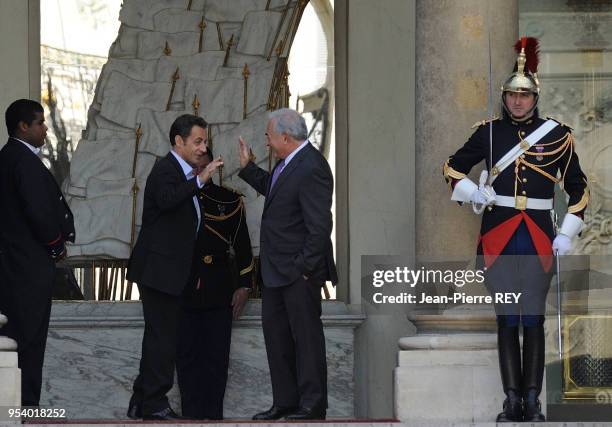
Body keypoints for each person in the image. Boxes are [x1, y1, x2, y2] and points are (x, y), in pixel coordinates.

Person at [443, 37, 589, 422]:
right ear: (505, 98)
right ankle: (511, 400)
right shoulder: (489, 133)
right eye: (511, 96)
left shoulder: (558, 134)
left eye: (524, 96)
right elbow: (452, 167)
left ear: (535, 97)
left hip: (540, 236)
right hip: (499, 236)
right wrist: (474, 190)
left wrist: (567, 233)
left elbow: (579, 188)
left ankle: (532, 401)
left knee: (534, 319)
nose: (518, 102)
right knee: (507, 317)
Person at [238, 108, 337, 420]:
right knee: (277, 337)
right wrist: (249, 169)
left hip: (298, 273)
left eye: (268, 135)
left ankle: (312, 404)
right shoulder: (288, 163)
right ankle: (286, 402)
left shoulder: (312, 167)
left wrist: (304, 268)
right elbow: (277, 192)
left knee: (305, 339)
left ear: (284, 136)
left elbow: (320, 226)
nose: (266, 141)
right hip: (276, 271)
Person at [126, 114, 223, 420]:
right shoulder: (165, 169)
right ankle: (155, 403)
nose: (203, 147)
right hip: (158, 273)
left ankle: (142, 399)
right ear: (178, 142)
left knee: (159, 336)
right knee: (163, 339)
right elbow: (167, 200)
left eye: (204, 141)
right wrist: (200, 179)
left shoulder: (184, 173)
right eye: (197, 141)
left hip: (171, 273)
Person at [0, 99, 75, 406]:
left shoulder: (8, 157)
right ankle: (25, 410)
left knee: (15, 342)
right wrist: (56, 245)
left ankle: (14, 409)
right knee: (28, 343)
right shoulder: (22, 160)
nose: (45, 129)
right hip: (27, 269)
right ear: (23, 126)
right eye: (41, 123)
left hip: (13, 267)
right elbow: (38, 212)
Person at [176, 148, 254, 420]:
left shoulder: (228, 200)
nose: (200, 170)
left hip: (219, 290)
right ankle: (190, 420)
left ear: (212, 166)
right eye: (195, 164)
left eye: (204, 164)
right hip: (183, 291)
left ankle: (214, 421)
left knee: (216, 363)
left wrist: (244, 285)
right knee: (186, 363)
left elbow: (243, 247)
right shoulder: (177, 197)